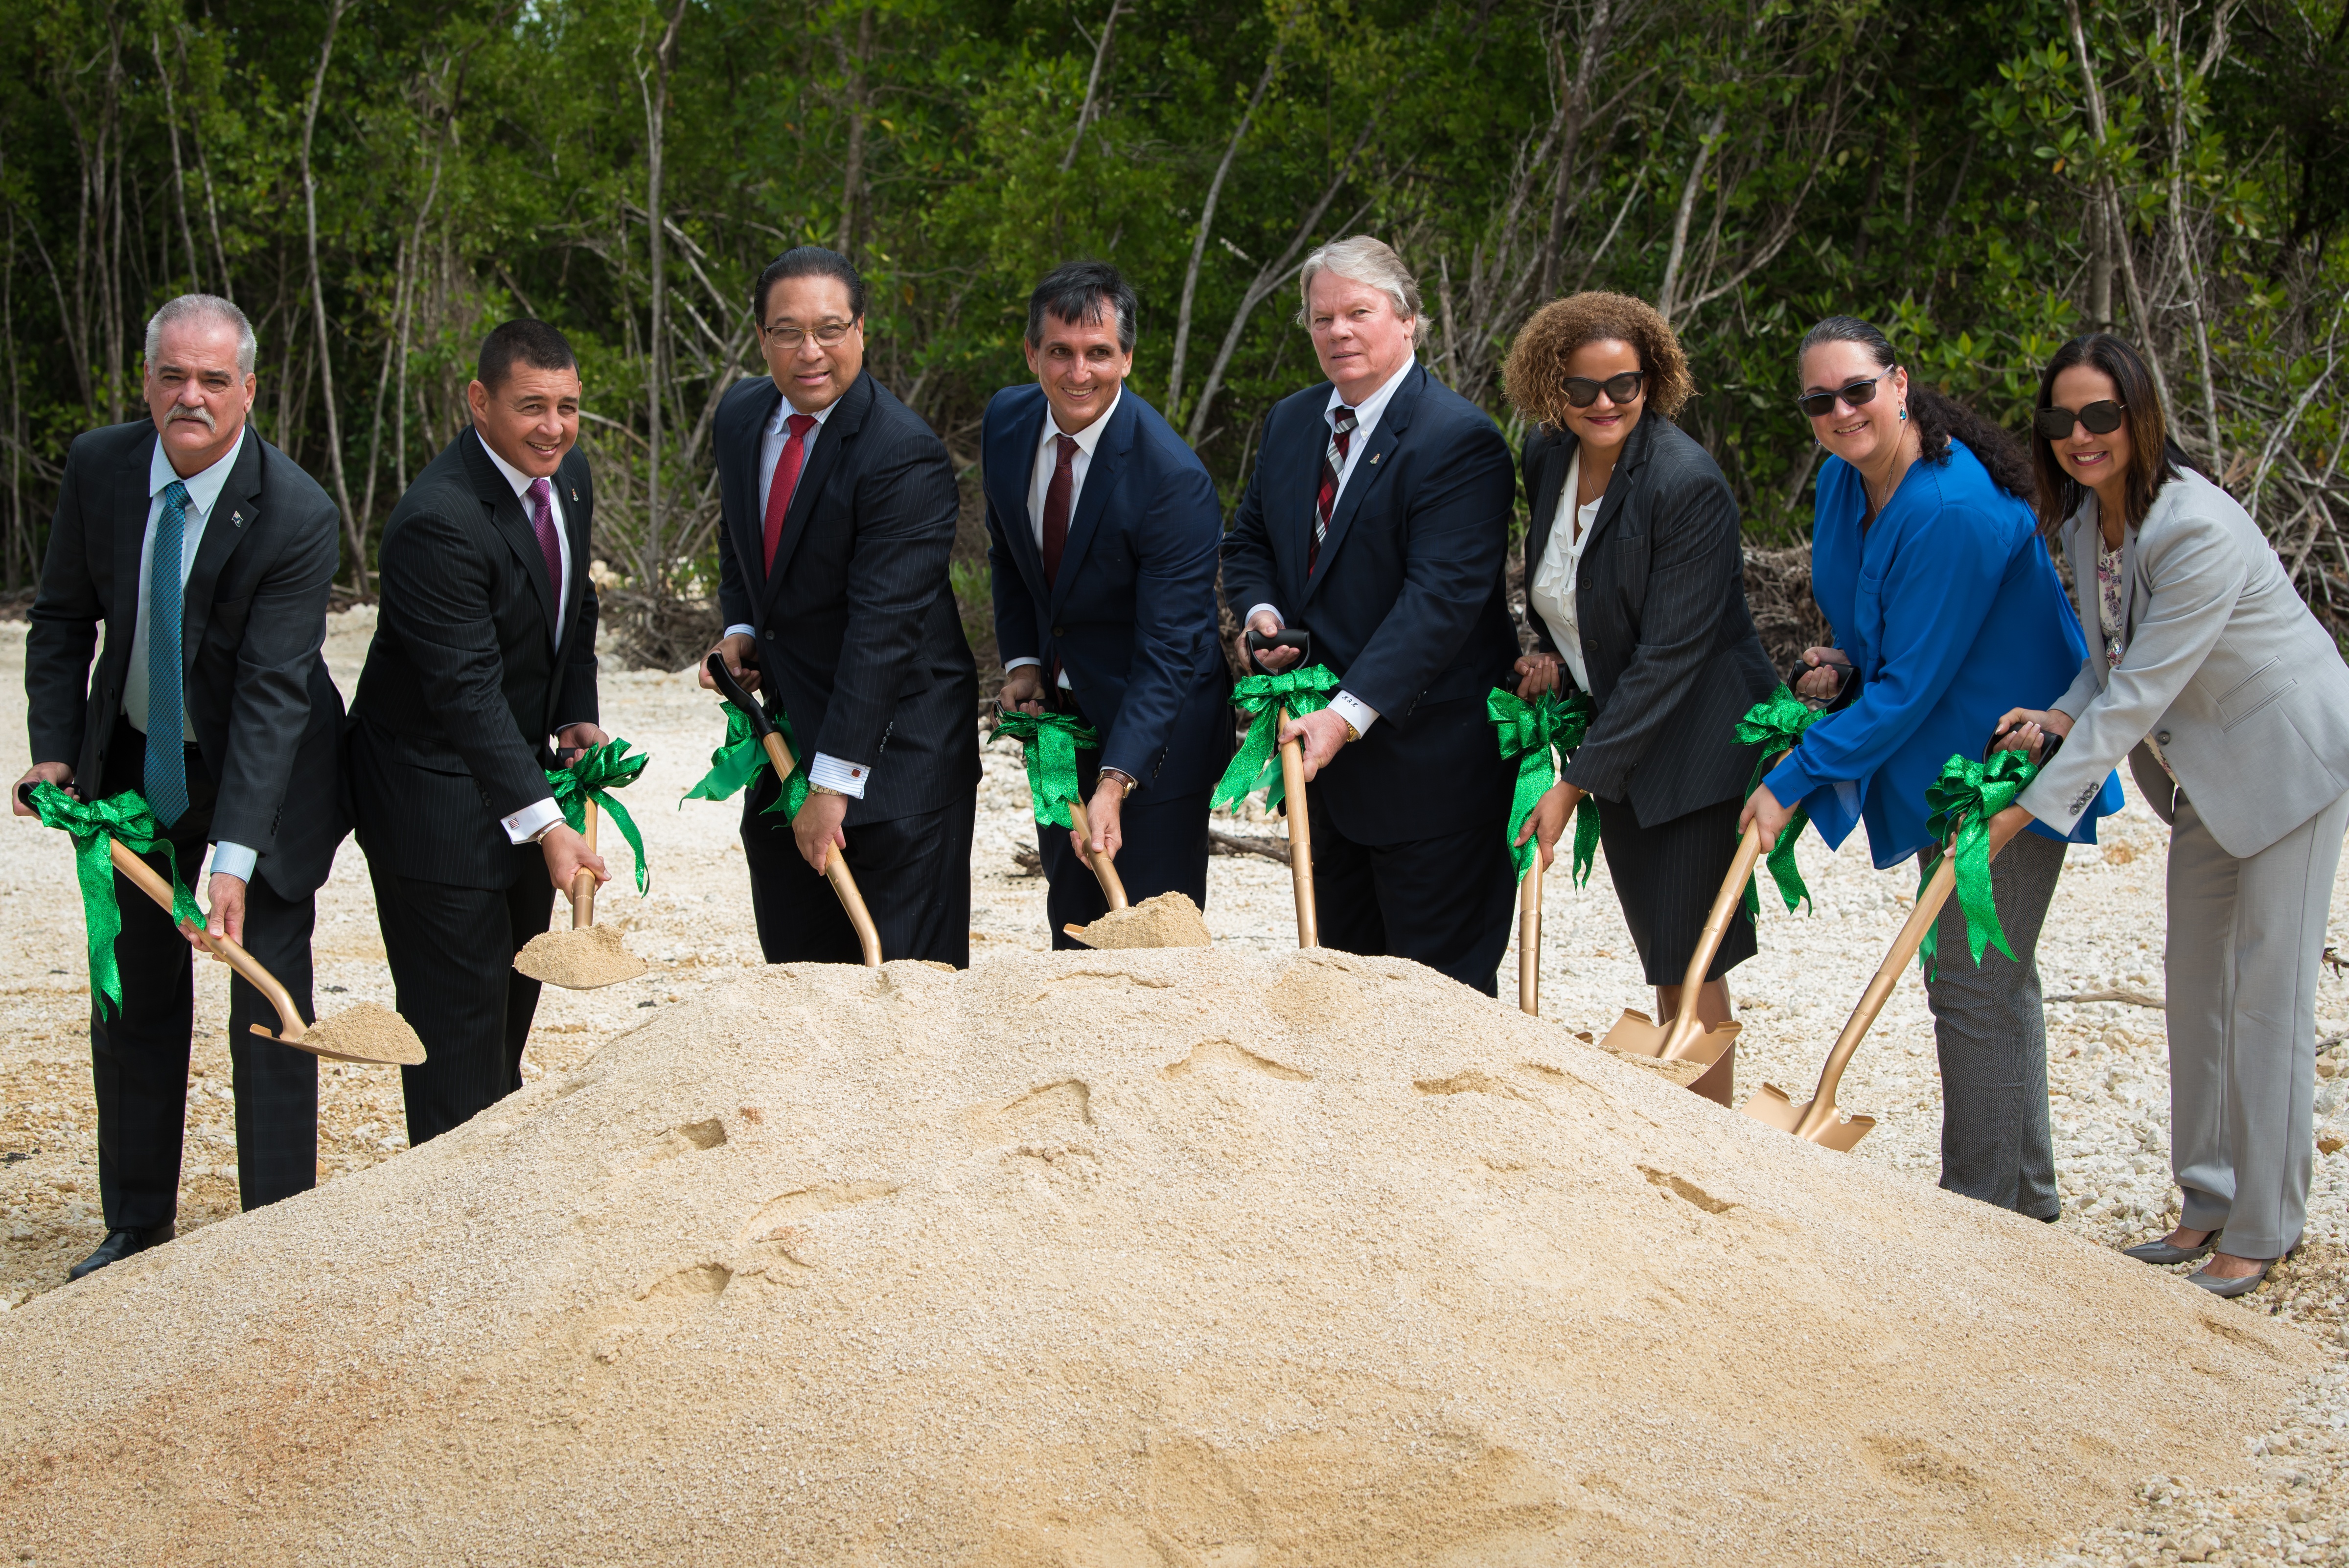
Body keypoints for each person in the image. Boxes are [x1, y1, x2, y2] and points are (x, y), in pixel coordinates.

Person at [1739, 315, 2121, 1222]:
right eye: (1820, 400)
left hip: (2007, 760)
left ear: (1900, 385)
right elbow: (1883, 631)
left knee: (1973, 977)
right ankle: (2022, 1200)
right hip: (1936, 752)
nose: (1841, 411)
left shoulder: (1951, 509)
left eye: (1858, 390)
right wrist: (1840, 659)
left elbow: (1909, 690)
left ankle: (1985, 1211)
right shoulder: (1846, 480)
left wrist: (1790, 780)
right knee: (1977, 974)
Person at [1997, 332, 2349, 1295]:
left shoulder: (2196, 526)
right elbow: (2113, 653)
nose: (2081, 435)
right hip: (2205, 775)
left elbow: (2143, 689)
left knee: (2268, 996)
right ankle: (2206, 1204)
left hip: (2292, 758)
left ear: (2140, 415)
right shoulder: (2082, 523)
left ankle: (2264, 1229)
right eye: (2062, 419)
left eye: (2100, 415)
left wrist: (2032, 808)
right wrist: (2059, 712)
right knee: (2196, 984)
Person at [19, 293, 346, 1278]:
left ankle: (276, 1236)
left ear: (249, 390)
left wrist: (235, 857)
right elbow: (64, 619)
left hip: (270, 771)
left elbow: (272, 693)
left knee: (267, 996)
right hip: (133, 761)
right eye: (173, 376)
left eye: (214, 380)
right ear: (147, 381)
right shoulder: (101, 468)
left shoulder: (296, 512)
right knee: (133, 997)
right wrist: (54, 752)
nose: (190, 397)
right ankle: (136, 1225)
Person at [1220, 235, 1519, 992]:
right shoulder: (1291, 424)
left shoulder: (1460, 442)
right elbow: (1249, 539)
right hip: (1325, 785)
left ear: (1409, 320)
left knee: (1436, 1007)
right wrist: (1260, 614)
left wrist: (1346, 715)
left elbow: (1440, 603)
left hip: (1432, 777)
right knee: (1345, 1001)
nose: (1339, 332)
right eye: (1323, 319)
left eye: (1360, 312)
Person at [348, 320, 609, 1147]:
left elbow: (573, 611)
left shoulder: (568, 480)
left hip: (518, 789)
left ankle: (492, 1210)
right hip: (431, 803)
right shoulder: (437, 520)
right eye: (532, 406)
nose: (554, 427)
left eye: (568, 406)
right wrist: (551, 824)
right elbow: (464, 693)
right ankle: (448, 1237)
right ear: (478, 402)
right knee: (456, 1046)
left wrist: (577, 713)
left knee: (506, 1024)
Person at [1503, 293, 1777, 1034]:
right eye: (1581, 388)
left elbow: (1670, 657)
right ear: (1551, 388)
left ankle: (1706, 1142)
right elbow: (1580, 589)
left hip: (1694, 743)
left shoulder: (1686, 485)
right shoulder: (1547, 455)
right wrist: (1553, 659)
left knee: (1691, 961)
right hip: (1623, 733)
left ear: (1650, 382)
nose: (1604, 403)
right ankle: (1686, 1121)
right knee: (1661, 947)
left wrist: (1573, 784)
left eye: (1622, 385)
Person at [702, 246, 979, 966]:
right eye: (788, 331)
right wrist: (740, 628)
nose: (811, 351)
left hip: (896, 758)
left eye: (831, 328)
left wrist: (832, 784)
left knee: (903, 994)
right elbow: (742, 542)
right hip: (787, 740)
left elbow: (883, 633)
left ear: (861, 330)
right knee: (800, 986)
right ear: (762, 337)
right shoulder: (739, 416)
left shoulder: (903, 455)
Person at [983, 261, 1230, 946]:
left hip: (1160, 730)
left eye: (1098, 354)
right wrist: (1026, 662)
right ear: (1033, 352)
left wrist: (1116, 783)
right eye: (1059, 351)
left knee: (1152, 937)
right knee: (1076, 915)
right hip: (1062, 716)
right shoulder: (1006, 423)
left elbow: (1169, 651)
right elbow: (1009, 554)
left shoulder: (1172, 480)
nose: (1077, 373)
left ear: (1127, 357)